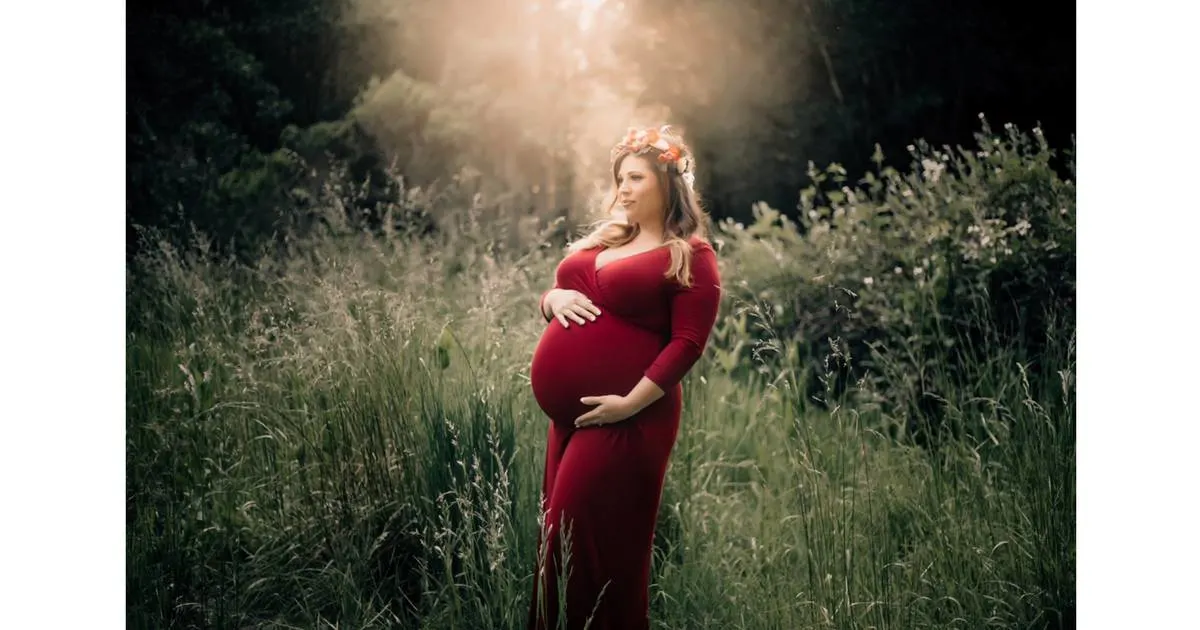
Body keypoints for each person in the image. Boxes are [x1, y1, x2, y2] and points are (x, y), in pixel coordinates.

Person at [526, 126, 723, 629]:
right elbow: (557, 293)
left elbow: (687, 343)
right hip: (570, 422)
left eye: (635, 177)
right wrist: (551, 301)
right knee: (560, 543)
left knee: (586, 542)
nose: (623, 189)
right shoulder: (608, 240)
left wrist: (628, 404)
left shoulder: (691, 255)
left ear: (667, 182)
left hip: (629, 418)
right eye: (620, 179)